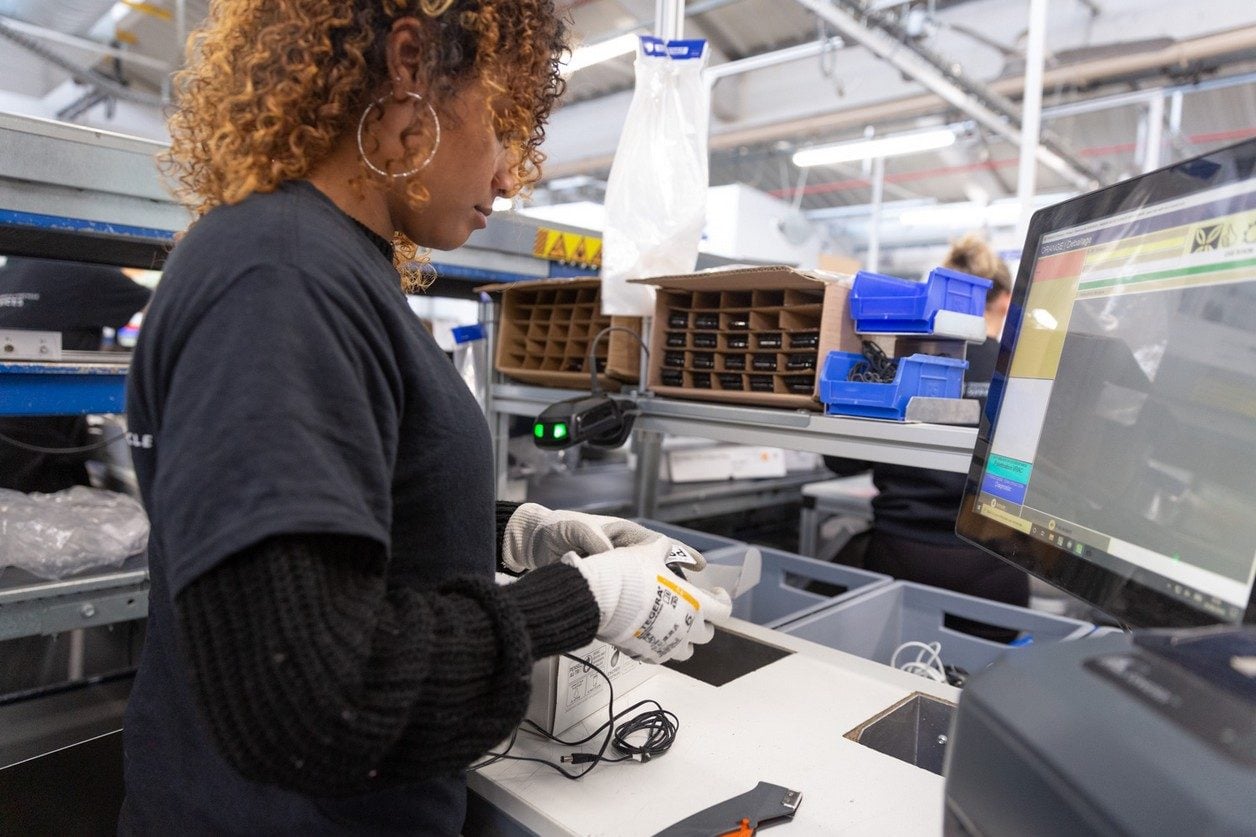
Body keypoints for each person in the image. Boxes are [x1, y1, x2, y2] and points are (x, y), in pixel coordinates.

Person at [119, 3, 730, 833]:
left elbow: (344, 517)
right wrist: (582, 600)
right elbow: (315, 700)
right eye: (504, 122)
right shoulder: (282, 278)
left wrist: (512, 534)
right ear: (410, 67)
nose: (514, 175)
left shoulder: (329, 263)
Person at [824, 235, 1028, 609]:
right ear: (1004, 300)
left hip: (900, 562)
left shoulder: (896, 364)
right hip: (993, 573)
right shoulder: (1022, 370)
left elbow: (839, 461)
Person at [0, 257, 150, 493]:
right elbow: (167, 307)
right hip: (41, 446)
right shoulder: (88, 268)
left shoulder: (11, 265)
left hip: (23, 439)